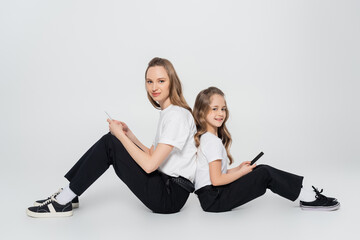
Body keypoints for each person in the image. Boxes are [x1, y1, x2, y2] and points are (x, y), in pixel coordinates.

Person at [26, 57, 197, 217]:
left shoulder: (176, 116)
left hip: (169, 197)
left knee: (111, 142)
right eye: (149, 81)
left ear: (172, 82)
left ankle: (64, 199)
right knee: (112, 140)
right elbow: (152, 154)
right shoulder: (169, 113)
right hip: (165, 185)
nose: (154, 87)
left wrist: (119, 138)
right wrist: (129, 135)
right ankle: (70, 193)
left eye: (161, 81)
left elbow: (150, 165)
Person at [192, 86, 340, 212]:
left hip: (211, 197)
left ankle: (305, 192)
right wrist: (242, 173)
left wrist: (238, 169)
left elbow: (217, 174)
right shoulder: (212, 142)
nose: (220, 113)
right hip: (214, 199)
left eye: (223, 109)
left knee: (260, 169)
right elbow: (217, 180)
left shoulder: (208, 139)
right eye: (214, 109)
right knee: (265, 173)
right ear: (202, 113)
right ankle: (307, 197)